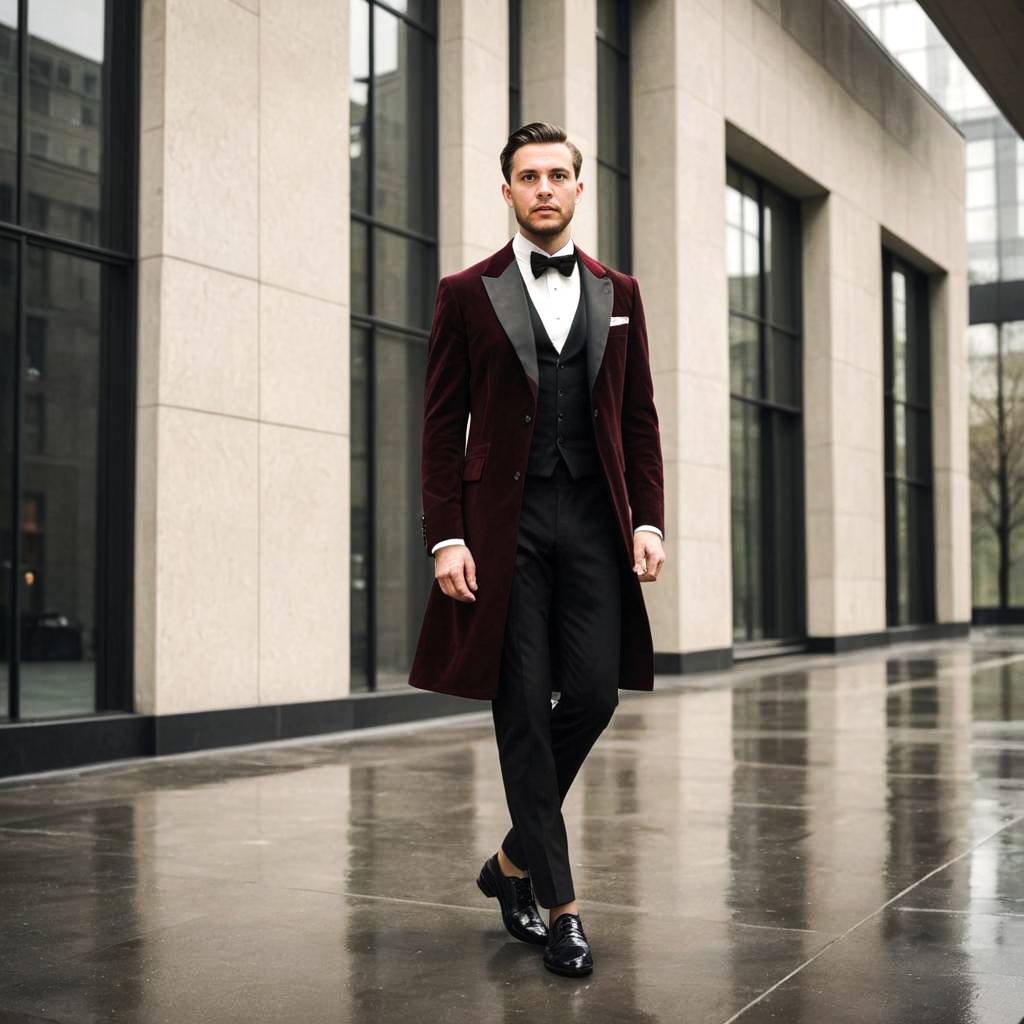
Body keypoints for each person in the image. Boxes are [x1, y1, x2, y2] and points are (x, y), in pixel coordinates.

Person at [409, 121, 665, 977]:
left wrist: (648, 520)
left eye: (559, 175)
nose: (545, 188)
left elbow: (638, 420)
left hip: (594, 520)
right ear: (508, 190)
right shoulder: (465, 292)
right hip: (499, 529)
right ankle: (561, 908)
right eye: (529, 176)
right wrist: (445, 533)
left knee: (593, 693)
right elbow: (442, 425)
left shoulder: (617, 290)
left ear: (579, 189)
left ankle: (508, 863)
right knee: (520, 709)